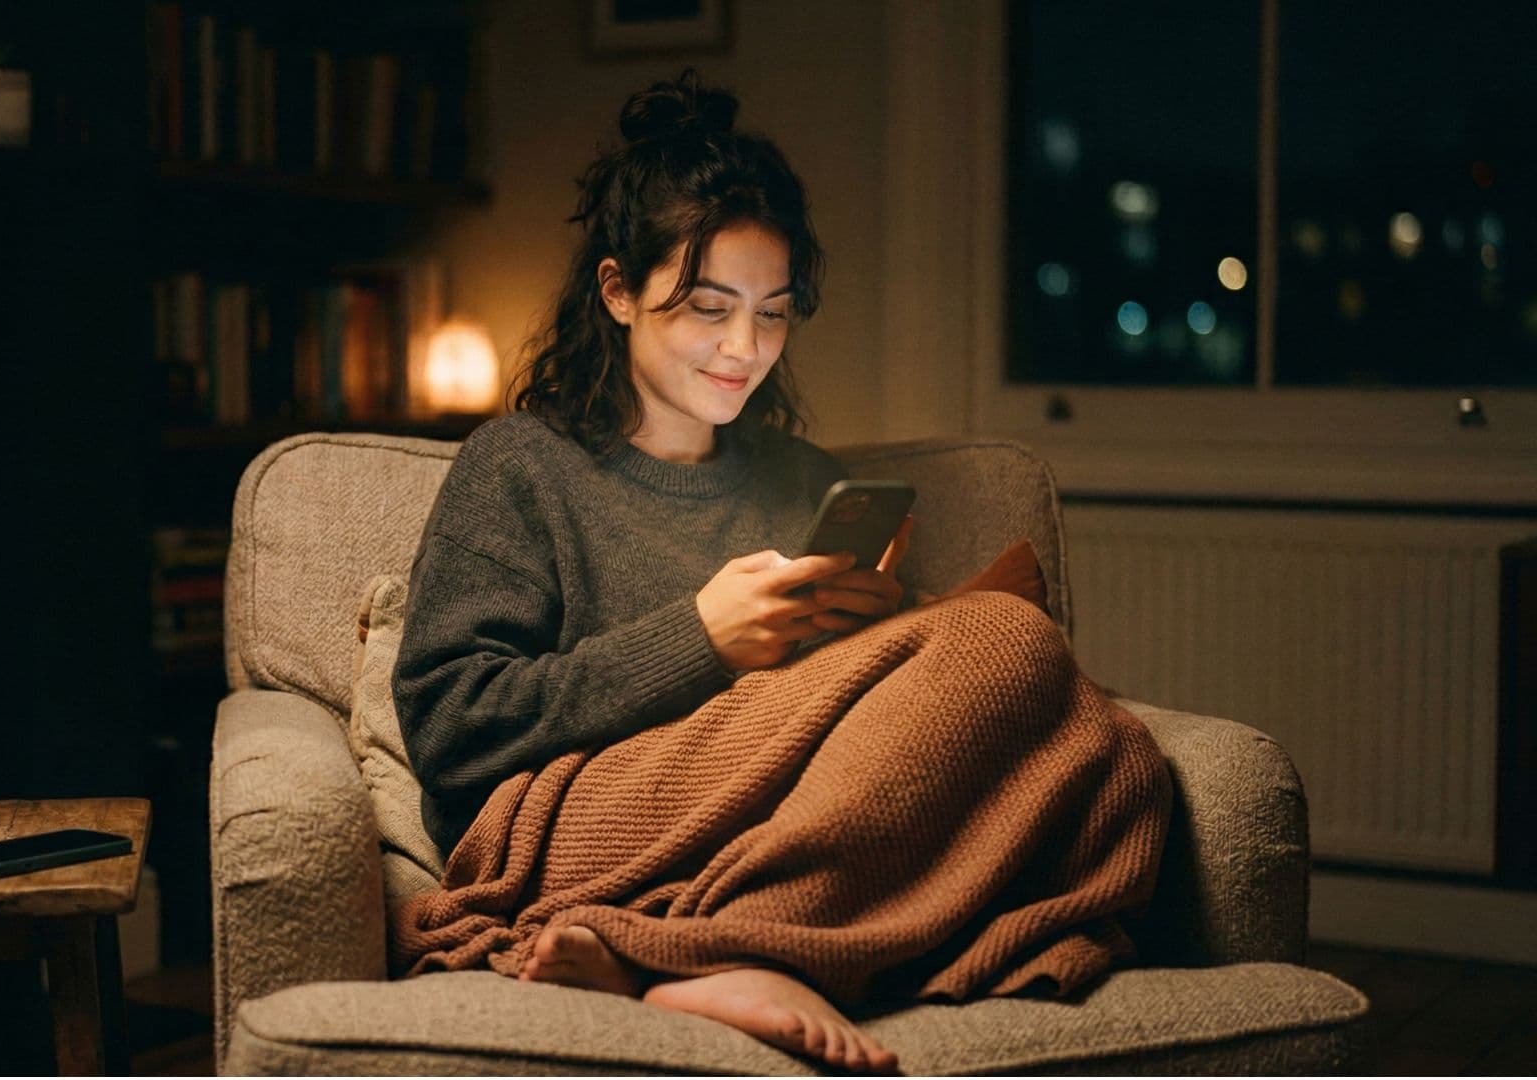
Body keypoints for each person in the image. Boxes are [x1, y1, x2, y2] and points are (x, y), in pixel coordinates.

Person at [392, 70, 1163, 1074]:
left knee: (1116, 750)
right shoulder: (521, 467)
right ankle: (738, 949)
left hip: (777, 805)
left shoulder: (803, 481)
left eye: (773, 312)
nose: (743, 348)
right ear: (619, 292)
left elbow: (843, 728)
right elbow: (453, 727)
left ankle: (680, 952)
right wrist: (699, 639)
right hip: (573, 814)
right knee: (1006, 643)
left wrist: (879, 634)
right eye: (708, 308)